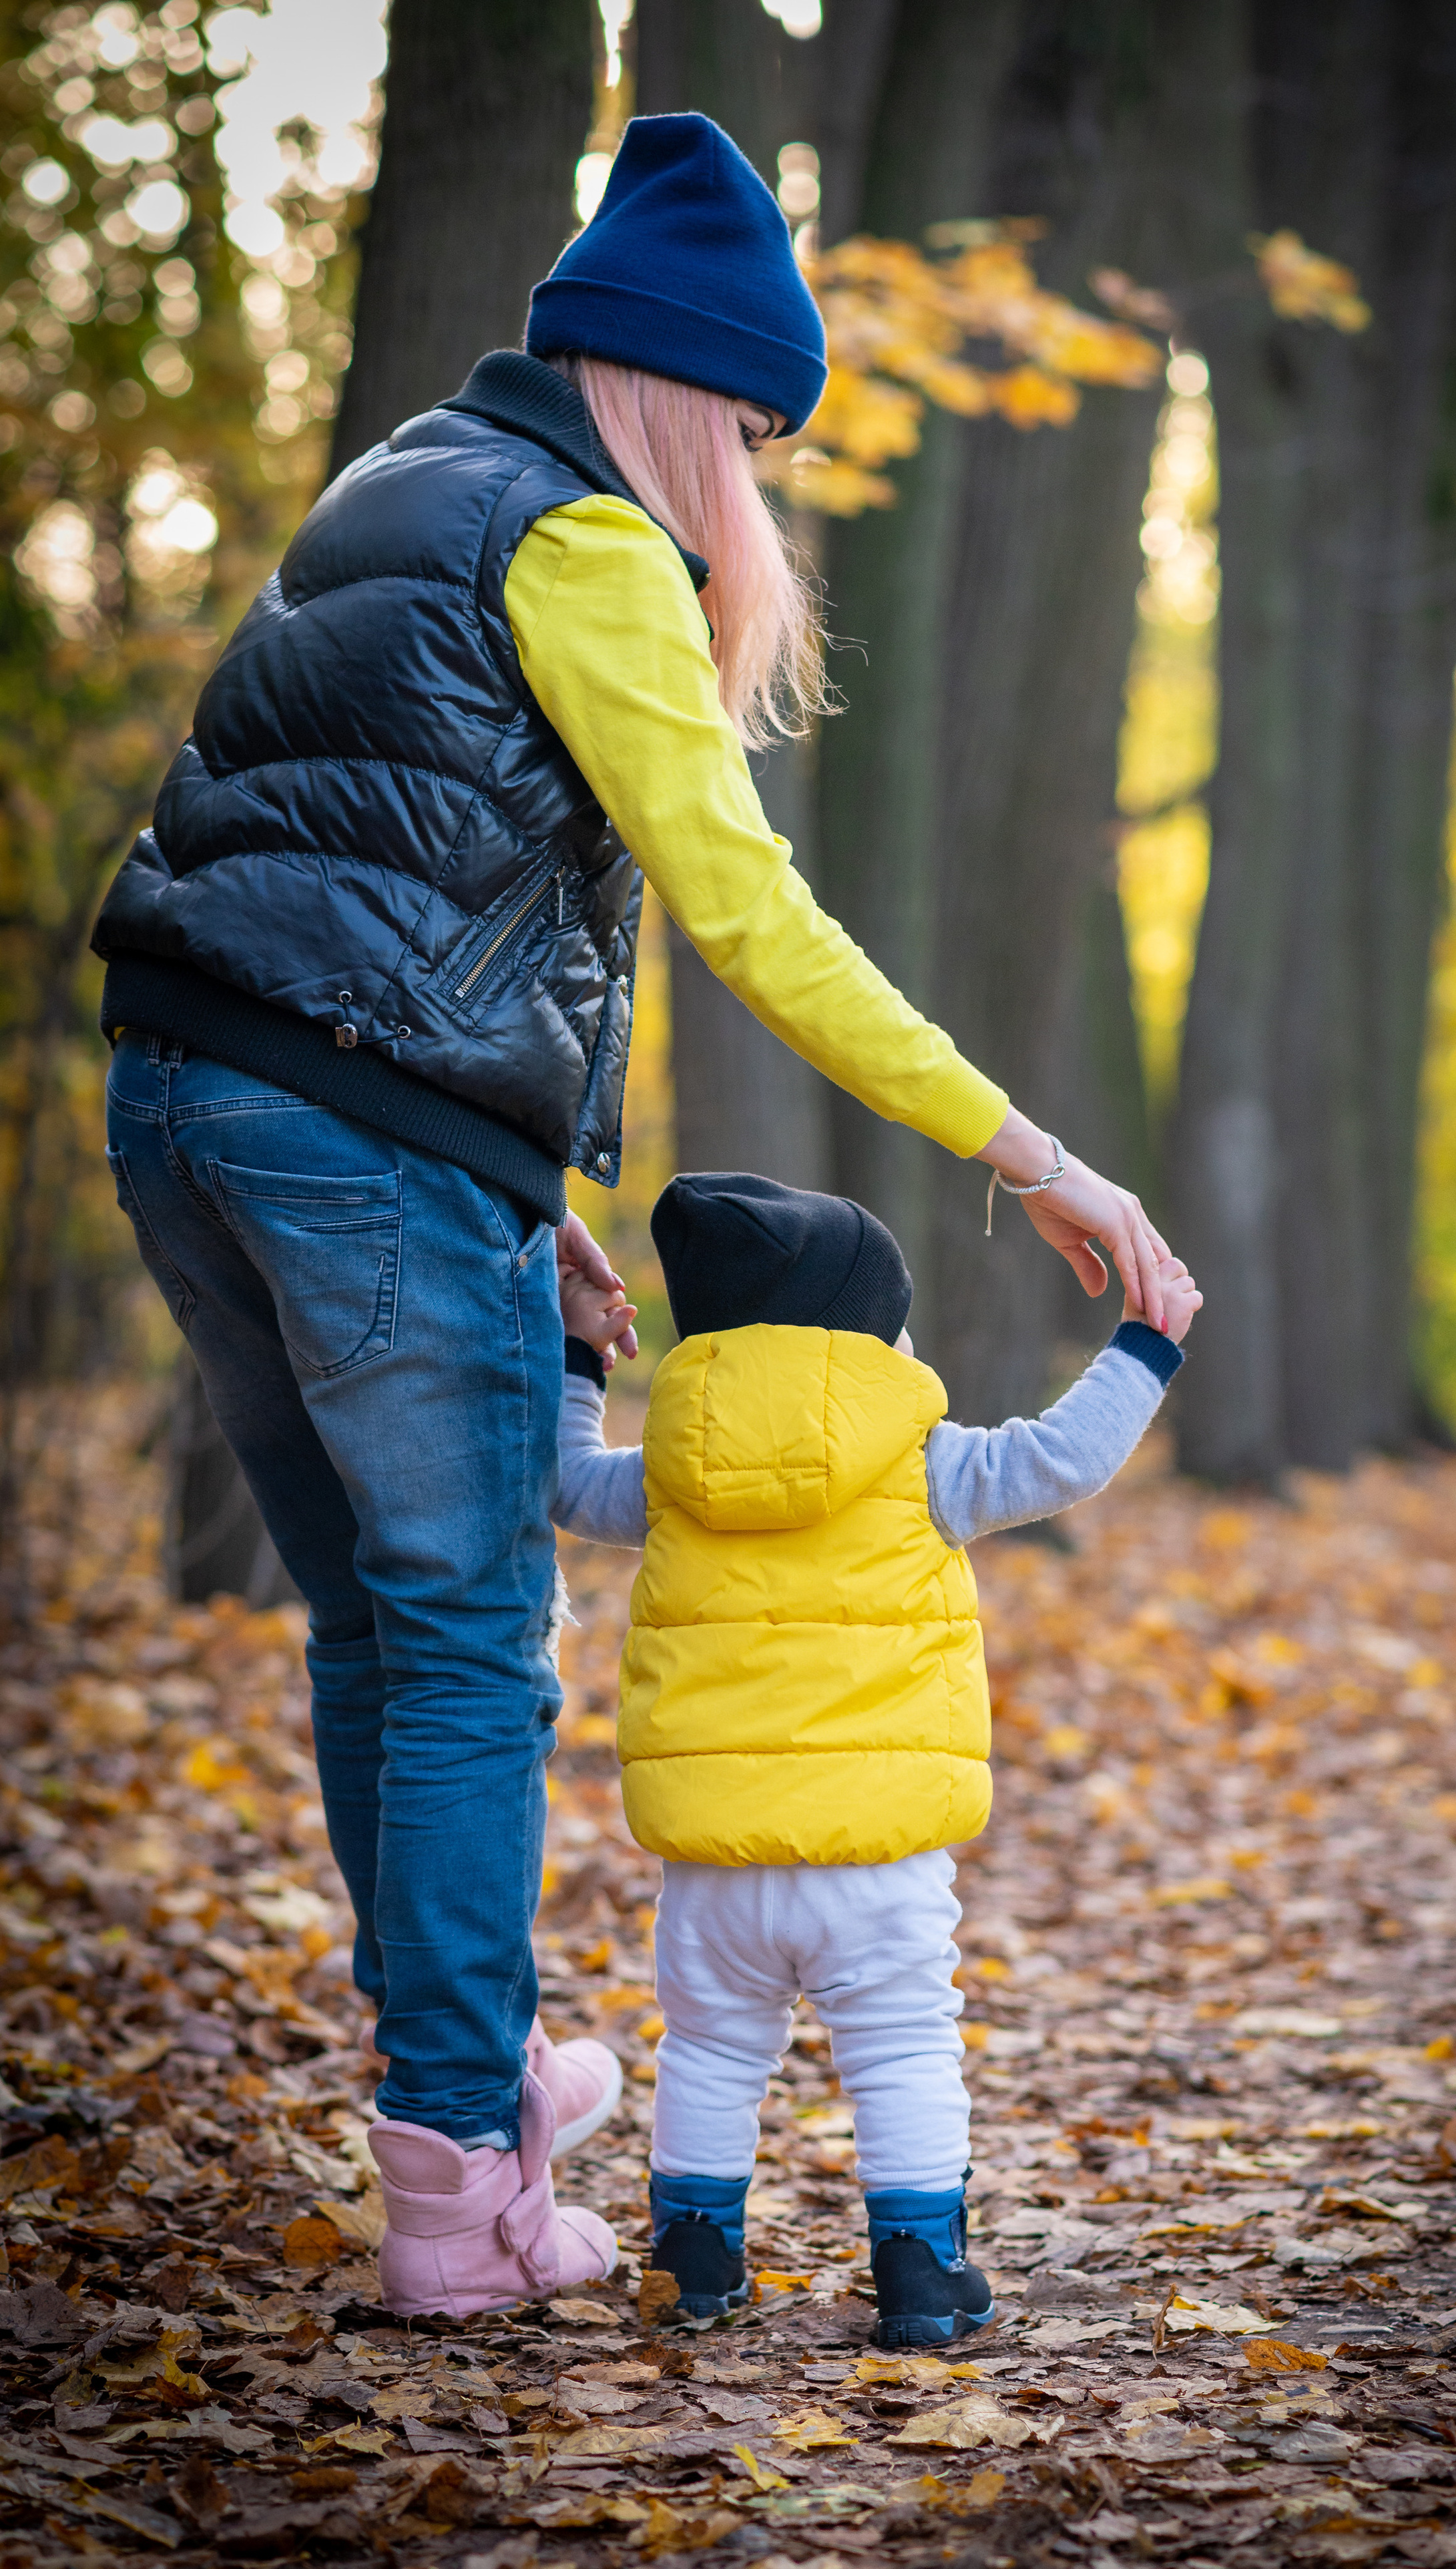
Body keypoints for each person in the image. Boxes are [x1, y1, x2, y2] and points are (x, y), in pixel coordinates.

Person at [93, 110, 1172, 2317]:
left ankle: (464, 2100)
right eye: (753, 439)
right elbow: (747, 915)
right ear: (690, 391)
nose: (748, 494)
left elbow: (380, 882)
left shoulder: (405, 474)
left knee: (373, 1621)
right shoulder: (584, 540)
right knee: (475, 1624)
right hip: (355, 1138)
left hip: (188, 1101)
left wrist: (533, 1197)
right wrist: (1033, 1152)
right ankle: (460, 2184)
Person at [550, 1173, 1199, 2345]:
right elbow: (1060, 1461)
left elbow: (560, 1482)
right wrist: (1145, 1348)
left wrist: (580, 1364)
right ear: (867, 1336)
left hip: (714, 1862)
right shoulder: (921, 1460)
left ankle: (692, 2265)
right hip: (877, 1861)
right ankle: (919, 2273)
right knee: (902, 2048)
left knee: (707, 2048)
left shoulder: (674, 1471)